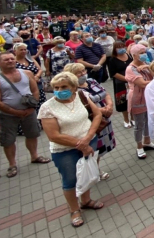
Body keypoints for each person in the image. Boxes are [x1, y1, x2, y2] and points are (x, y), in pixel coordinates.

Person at [38, 71, 104, 228]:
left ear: (74, 87)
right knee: (70, 180)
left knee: (86, 173)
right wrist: (81, 144)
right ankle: (74, 210)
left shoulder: (81, 96)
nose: (60, 90)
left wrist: (88, 138)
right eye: (56, 87)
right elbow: (53, 135)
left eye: (64, 87)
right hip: (64, 150)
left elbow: (97, 115)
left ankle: (86, 201)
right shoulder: (47, 108)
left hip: (89, 141)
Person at [0, 52, 50, 178]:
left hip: (29, 112)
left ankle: (34, 156)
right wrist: (15, 112)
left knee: (32, 134)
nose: (10, 61)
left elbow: (35, 91)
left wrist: (31, 108)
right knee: (8, 140)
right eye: (6, 60)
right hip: (8, 115)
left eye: (12, 58)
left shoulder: (27, 73)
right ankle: (12, 165)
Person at [64, 63, 115, 180]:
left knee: (99, 148)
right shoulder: (73, 90)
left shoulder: (92, 81)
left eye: (83, 71)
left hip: (104, 121)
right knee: (93, 147)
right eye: (79, 73)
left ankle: (95, 168)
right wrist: (102, 110)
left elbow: (105, 93)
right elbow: (80, 107)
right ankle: (93, 171)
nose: (83, 74)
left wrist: (110, 105)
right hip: (91, 122)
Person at [126, 44, 154, 159]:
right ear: (134, 55)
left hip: (148, 97)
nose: (144, 54)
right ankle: (139, 146)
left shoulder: (145, 64)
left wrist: (148, 68)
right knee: (139, 124)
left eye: (145, 52)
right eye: (141, 53)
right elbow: (142, 84)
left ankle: (147, 141)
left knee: (148, 121)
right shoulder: (131, 68)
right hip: (137, 98)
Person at [108, 42, 133, 128]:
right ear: (114, 49)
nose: (121, 48)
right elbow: (113, 73)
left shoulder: (129, 56)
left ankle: (133, 118)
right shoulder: (112, 60)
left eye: (122, 46)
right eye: (118, 47)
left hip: (132, 82)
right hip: (121, 84)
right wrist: (126, 78)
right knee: (123, 102)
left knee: (132, 100)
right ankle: (126, 120)